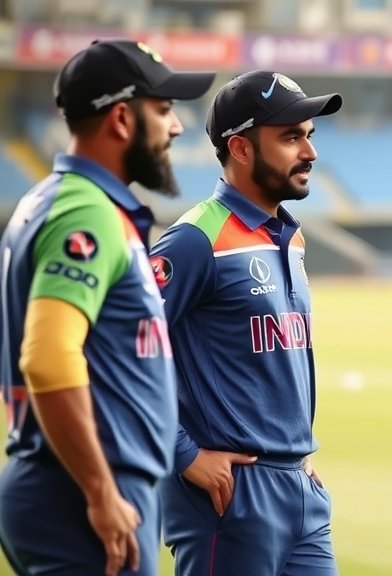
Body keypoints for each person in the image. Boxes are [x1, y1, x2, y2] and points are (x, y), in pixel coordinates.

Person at [0, 39, 213, 575]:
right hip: (84, 495)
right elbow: (47, 358)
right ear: (121, 118)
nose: (176, 126)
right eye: (163, 110)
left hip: (69, 487)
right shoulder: (86, 213)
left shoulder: (54, 199)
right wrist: (99, 490)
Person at [150, 71, 342, 575]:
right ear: (240, 148)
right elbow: (119, 349)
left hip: (298, 488)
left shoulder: (290, 239)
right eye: (290, 137)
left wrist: (290, 459)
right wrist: (183, 454)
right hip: (227, 495)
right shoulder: (193, 240)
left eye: (310, 136)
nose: (310, 152)